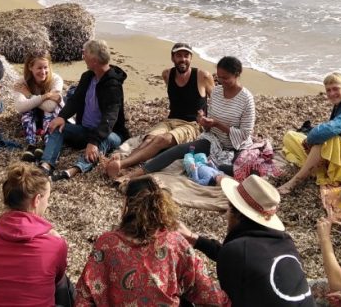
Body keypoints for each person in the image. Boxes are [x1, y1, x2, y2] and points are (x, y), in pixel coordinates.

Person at [76, 176, 228, 306]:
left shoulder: (107, 244)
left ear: (127, 206)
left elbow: (85, 294)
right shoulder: (175, 243)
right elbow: (205, 291)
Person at [179, 175, 315, 306]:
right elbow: (244, 258)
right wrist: (194, 239)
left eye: (228, 210)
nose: (226, 215)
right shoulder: (285, 241)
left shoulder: (237, 251)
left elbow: (229, 301)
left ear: (236, 214)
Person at [123, 56, 254, 182]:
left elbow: (244, 134)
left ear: (237, 75)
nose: (221, 81)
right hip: (215, 141)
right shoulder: (217, 92)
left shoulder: (246, 98)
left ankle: (211, 168)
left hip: (236, 146)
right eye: (219, 77)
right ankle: (132, 175)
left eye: (225, 78)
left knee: (245, 171)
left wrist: (217, 124)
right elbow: (209, 125)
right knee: (177, 151)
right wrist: (203, 121)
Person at [103, 42, 213, 179]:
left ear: (191, 58)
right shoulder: (167, 74)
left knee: (162, 139)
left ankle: (123, 164)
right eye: (179, 55)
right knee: (149, 139)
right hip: (170, 120)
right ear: (173, 58)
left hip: (192, 125)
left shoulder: (202, 76)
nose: (183, 59)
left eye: (186, 56)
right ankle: (129, 161)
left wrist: (207, 122)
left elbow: (215, 101)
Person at [0, 163, 72, 307]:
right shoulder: (56, 245)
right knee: (63, 281)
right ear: (37, 200)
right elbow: (57, 279)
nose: (47, 204)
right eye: (47, 199)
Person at [39, 39, 129, 181]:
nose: (83, 57)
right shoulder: (87, 77)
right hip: (85, 130)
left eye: (85, 53)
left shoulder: (113, 85)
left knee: (104, 140)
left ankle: (73, 170)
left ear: (94, 60)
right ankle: (46, 166)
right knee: (58, 127)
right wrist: (62, 116)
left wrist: (94, 142)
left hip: (110, 133)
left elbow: (109, 118)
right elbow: (75, 100)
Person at [278, 72, 341, 195]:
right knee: (290, 136)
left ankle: (294, 182)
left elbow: (325, 132)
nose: (331, 94)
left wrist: (309, 140)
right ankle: (315, 164)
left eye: (336, 89)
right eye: (328, 90)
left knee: (327, 139)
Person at [14, 51, 64, 160]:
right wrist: (44, 96)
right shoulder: (22, 82)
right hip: (34, 118)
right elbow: (19, 107)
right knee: (27, 110)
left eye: (46, 67)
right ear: (30, 67)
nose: (43, 71)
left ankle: (47, 144)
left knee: (48, 111)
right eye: (39, 68)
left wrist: (28, 95)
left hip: (53, 117)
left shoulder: (56, 80)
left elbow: (50, 107)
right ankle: (31, 145)